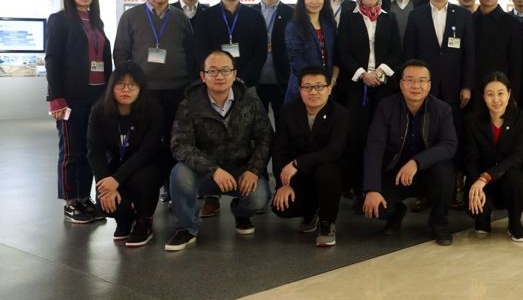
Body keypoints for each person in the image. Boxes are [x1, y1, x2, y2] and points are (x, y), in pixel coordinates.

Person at [165, 50, 273, 251]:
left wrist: (253, 170)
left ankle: (241, 214)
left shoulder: (250, 101)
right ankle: (186, 228)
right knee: (179, 174)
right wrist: (213, 170)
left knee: (259, 197)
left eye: (225, 70)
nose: (219, 76)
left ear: (234, 74)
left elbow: (265, 138)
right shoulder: (189, 104)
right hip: (204, 173)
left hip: (240, 169)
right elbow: (180, 145)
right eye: (212, 71)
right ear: (203, 76)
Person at [362, 59, 457, 246]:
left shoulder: (442, 109)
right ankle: (396, 212)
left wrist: (416, 162)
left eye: (422, 81)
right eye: (410, 80)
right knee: (374, 207)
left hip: (428, 172)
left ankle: (439, 221)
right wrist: (372, 188)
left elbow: (449, 145)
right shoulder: (386, 107)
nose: (416, 86)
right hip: (395, 172)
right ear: (401, 84)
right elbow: (374, 147)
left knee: (444, 173)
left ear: (429, 85)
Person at [46, 0, 112, 223]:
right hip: (71, 97)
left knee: (89, 149)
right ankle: (71, 201)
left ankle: (84, 198)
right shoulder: (59, 20)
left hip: (96, 96)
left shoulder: (97, 21)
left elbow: (104, 59)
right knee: (71, 150)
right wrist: (56, 97)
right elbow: (53, 59)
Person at [336, 0, 402, 204]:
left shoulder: (389, 18)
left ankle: (380, 185)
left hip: (383, 85)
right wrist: (363, 75)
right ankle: (357, 187)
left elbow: (396, 52)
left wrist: (379, 73)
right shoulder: (348, 18)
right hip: (357, 86)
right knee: (357, 136)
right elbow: (342, 51)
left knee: (383, 136)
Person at [114, 0, 195, 153]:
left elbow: (191, 53)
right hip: (143, 90)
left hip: (176, 90)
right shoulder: (130, 17)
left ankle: (171, 173)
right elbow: (120, 53)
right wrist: (129, 84)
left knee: (173, 139)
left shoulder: (181, 18)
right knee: (143, 138)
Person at [87, 62, 166, 247]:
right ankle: (125, 219)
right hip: (117, 163)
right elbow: (94, 151)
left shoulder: (153, 109)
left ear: (141, 88)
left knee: (141, 180)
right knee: (105, 202)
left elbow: (148, 150)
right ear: (111, 86)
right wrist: (104, 183)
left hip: (147, 164)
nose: (126, 89)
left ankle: (144, 221)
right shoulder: (99, 110)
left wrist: (117, 179)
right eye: (120, 84)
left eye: (132, 85)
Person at [272, 67, 349, 247]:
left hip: (331, 172)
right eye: (307, 87)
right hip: (301, 174)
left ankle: (327, 222)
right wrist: (283, 184)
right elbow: (280, 149)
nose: (313, 92)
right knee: (282, 207)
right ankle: (311, 212)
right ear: (300, 90)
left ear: (329, 89)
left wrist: (298, 163)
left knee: (326, 172)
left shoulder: (340, 114)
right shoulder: (288, 112)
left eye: (319, 86)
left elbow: (334, 151)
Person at [464, 72, 523, 241]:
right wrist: (474, 185)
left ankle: (514, 223)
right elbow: (471, 158)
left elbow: (517, 157)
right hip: (481, 179)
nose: (496, 99)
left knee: (516, 179)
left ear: (509, 94)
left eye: (501, 93)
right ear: (483, 96)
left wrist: (486, 177)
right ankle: (483, 219)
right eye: (490, 94)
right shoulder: (472, 121)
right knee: (476, 207)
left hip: (508, 176)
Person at [404, 0, 475, 112]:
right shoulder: (416, 15)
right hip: (423, 84)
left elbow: (469, 53)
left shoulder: (463, 15)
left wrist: (467, 86)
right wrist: (410, 83)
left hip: (455, 85)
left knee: (453, 122)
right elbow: (409, 52)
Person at [193, 0, 268, 87]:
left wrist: (242, 79)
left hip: (246, 84)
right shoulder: (205, 16)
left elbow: (260, 53)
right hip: (215, 82)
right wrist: (218, 76)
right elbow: (201, 51)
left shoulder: (255, 16)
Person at [284, 0, 339, 104]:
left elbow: (336, 56)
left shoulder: (330, 25)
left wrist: (332, 80)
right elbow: (296, 61)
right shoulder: (294, 27)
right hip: (304, 88)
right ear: (302, 0)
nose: (315, 1)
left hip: (328, 88)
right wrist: (318, 84)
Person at [472, 0, 523, 103]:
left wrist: (514, 95)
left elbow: (516, 63)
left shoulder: (512, 24)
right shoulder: (468, 21)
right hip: (472, 90)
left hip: (501, 91)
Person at [253, 0, 294, 123]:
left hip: (282, 78)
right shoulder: (250, 13)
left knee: (284, 122)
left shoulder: (291, 13)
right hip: (256, 79)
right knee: (257, 125)